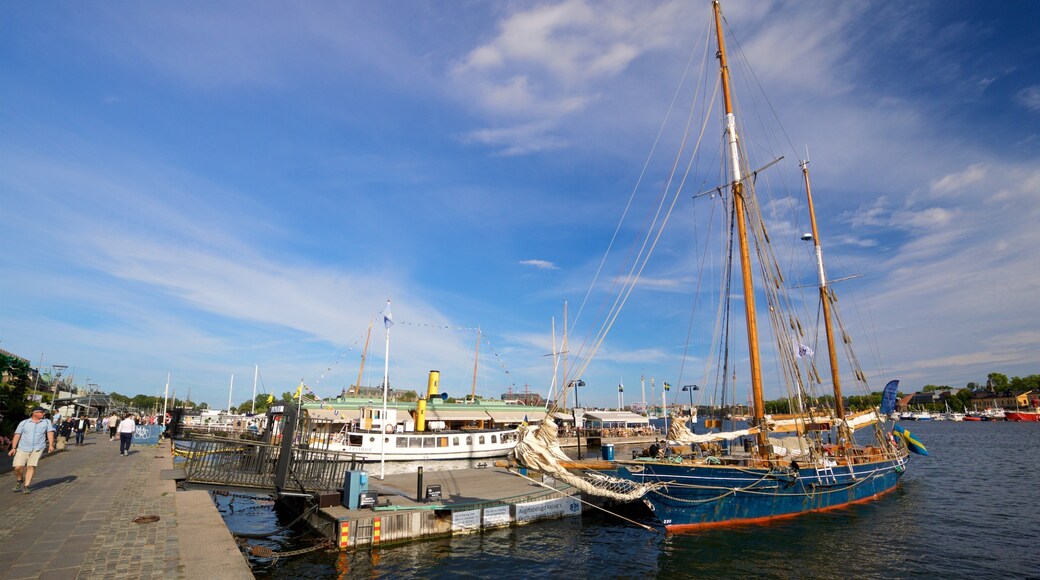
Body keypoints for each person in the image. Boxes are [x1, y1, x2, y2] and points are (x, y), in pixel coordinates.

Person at [9, 406, 55, 494]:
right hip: (23, 447)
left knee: (31, 466)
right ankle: (19, 480)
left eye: (43, 412)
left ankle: (26, 486)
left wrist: (51, 445)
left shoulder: (47, 422)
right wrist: (13, 448)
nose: (43, 414)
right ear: (34, 413)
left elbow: (50, 433)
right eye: (41, 412)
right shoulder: (24, 423)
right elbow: (17, 435)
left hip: (38, 447)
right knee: (17, 467)